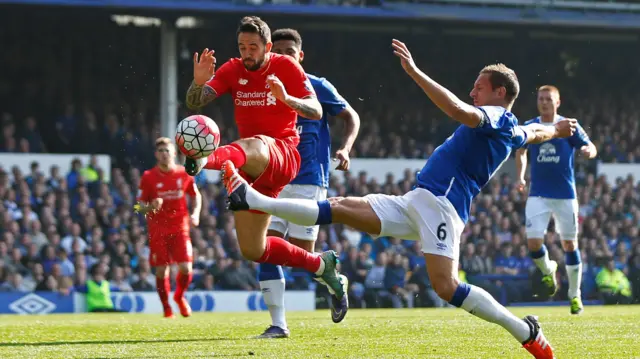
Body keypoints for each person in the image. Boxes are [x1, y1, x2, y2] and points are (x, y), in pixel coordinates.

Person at [222, 39, 578, 359]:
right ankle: (254, 199)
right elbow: (534, 132)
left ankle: (525, 331)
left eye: (479, 87)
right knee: (342, 207)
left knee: (446, 286)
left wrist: (415, 72)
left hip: (442, 206)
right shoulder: (513, 126)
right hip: (416, 200)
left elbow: (458, 110)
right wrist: (557, 129)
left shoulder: (497, 117)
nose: (473, 91)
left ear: (500, 93)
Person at [183, 16, 348, 318]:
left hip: (283, 153)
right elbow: (195, 103)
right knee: (253, 249)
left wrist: (287, 98)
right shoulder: (232, 69)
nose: (247, 53)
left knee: (252, 144)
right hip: (250, 167)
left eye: (253, 47)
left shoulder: (286, 67)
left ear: (268, 47)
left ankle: (204, 159)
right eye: (242, 47)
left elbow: (316, 110)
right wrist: (198, 82)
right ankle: (323, 266)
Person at [255, 28, 361, 339]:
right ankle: (278, 324)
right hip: (273, 177)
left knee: (302, 253)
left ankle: (331, 276)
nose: (285, 57)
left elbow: (351, 116)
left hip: (309, 177)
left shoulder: (316, 86)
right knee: (265, 248)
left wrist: (345, 148)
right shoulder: (263, 88)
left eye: (291, 52)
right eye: (280, 52)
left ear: (300, 56)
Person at [515, 85, 597, 315]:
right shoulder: (531, 126)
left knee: (570, 244)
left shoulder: (569, 125)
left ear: (557, 102)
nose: (544, 103)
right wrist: (520, 175)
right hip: (538, 194)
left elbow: (590, 145)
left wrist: (589, 150)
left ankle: (575, 295)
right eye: (541, 99)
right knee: (533, 243)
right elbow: (520, 151)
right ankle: (548, 269)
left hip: (565, 195)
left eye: (548, 99)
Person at [134, 137, 202, 318]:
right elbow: (138, 207)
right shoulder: (148, 177)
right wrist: (150, 207)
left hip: (180, 227)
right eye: (161, 151)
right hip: (158, 229)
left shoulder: (184, 173)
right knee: (162, 270)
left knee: (186, 268)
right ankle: (166, 307)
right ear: (156, 155)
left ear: (174, 153)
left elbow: (196, 196)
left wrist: (195, 214)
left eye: (167, 150)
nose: (164, 154)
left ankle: (179, 297)